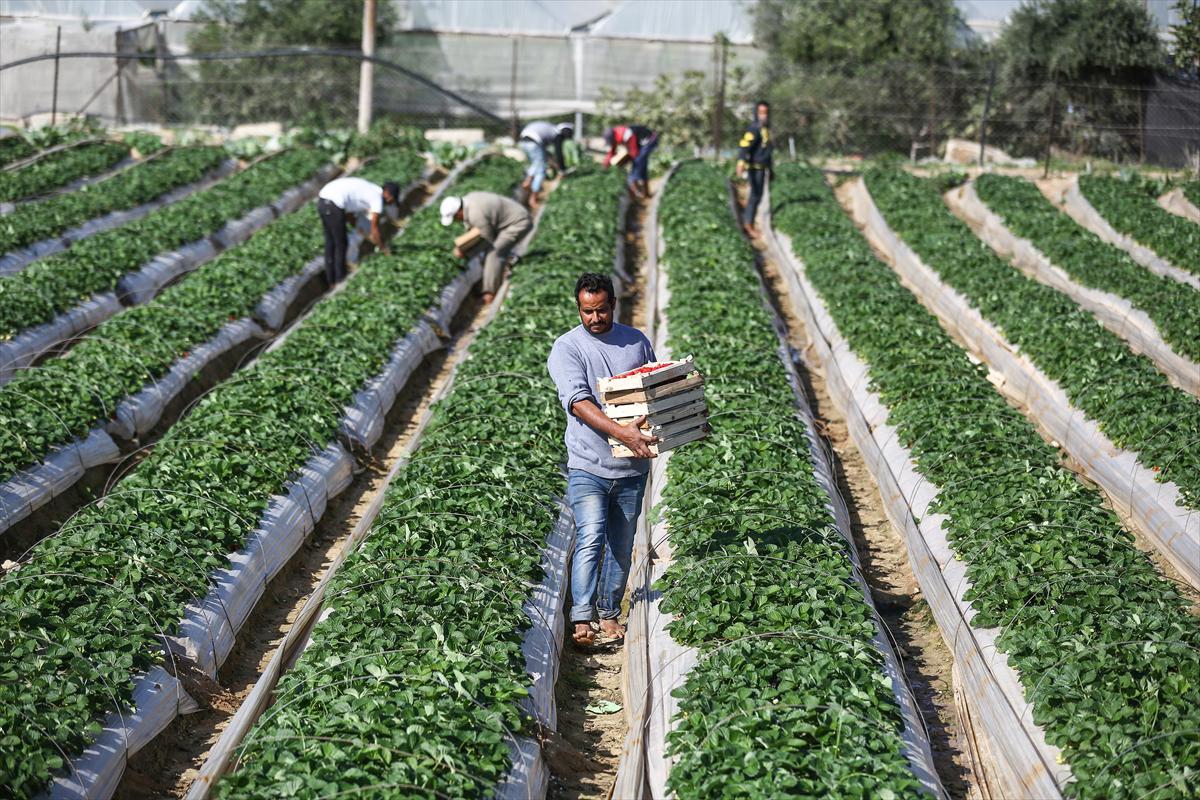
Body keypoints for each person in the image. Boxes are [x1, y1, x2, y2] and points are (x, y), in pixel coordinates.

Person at [547, 272, 658, 647]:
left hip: (631, 466)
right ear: (578, 309)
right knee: (591, 536)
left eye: (602, 310)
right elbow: (578, 403)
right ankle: (581, 618)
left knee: (621, 545)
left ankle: (609, 613)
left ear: (614, 304)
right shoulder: (567, 348)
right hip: (587, 464)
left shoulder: (637, 341)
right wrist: (621, 431)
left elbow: (653, 391)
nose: (595, 318)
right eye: (587, 311)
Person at [440, 191, 532, 304]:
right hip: (507, 221)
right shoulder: (469, 201)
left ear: (459, 212)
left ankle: (490, 293)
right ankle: (499, 272)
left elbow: (487, 239)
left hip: (518, 222)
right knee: (493, 252)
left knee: (495, 253)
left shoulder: (476, 213)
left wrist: (467, 254)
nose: (456, 221)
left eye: (455, 218)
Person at [317, 177, 400, 284]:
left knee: (331, 243)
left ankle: (331, 281)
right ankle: (339, 280)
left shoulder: (369, 190)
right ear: (387, 193)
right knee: (341, 244)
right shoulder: (377, 198)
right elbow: (374, 228)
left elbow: (348, 213)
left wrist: (357, 227)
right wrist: (383, 248)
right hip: (333, 203)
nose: (389, 202)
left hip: (323, 201)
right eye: (391, 199)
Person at [736, 100, 774, 237]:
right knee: (755, 195)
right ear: (756, 114)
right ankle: (748, 223)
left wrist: (771, 169)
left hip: (763, 167)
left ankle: (749, 220)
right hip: (754, 167)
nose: (764, 116)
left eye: (766, 113)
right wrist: (740, 162)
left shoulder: (766, 130)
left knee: (758, 196)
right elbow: (744, 146)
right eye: (761, 113)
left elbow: (768, 152)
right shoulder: (753, 129)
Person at [518, 120, 573, 210]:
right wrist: (562, 170)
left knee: (535, 163)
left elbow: (545, 152)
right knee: (541, 170)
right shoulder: (557, 134)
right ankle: (533, 198)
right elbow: (559, 154)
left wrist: (552, 162)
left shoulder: (550, 129)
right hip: (533, 142)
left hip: (523, 141)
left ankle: (528, 181)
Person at [603, 124, 658, 199]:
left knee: (638, 163)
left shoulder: (625, 134)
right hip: (640, 144)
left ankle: (638, 194)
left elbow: (634, 152)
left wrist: (626, 160)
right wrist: (606, 164)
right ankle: (646, 193)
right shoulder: (615, 136)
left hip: (650, 139)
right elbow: (612, 151)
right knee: (641, 167)